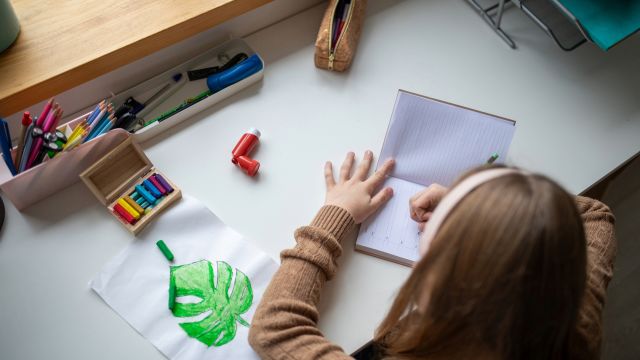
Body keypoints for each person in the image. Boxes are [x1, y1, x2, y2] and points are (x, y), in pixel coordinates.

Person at [248, 151, 616, 359]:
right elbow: (594, 215)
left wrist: (336, 215)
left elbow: (275, 328)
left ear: (429, 292)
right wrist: (483, 207)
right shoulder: (572, 317)